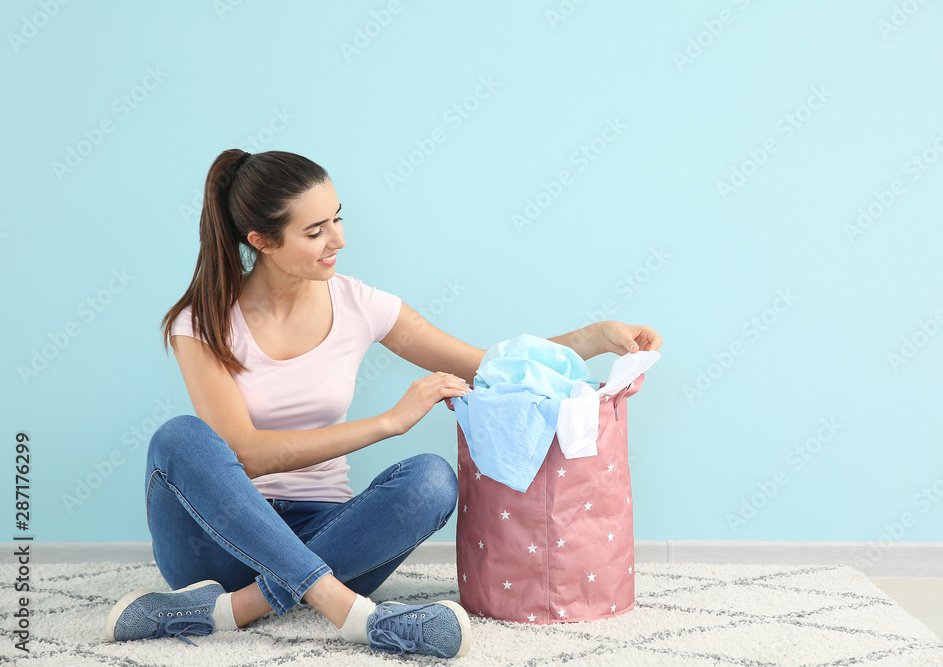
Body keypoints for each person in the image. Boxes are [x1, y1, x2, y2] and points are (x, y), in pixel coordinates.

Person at [103, 149, 662, 658]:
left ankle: (233, 611)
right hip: (217, 548)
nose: (338, 240)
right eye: (316, 231)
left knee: (432, 480)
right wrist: (387, 423)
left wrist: (596, 336)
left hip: (331, 536)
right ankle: (351, 616)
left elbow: (489, 365)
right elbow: (248, 455)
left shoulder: (358, 304)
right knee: (178, 439)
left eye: (337, 218)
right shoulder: (199, 323)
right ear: (262, 242)